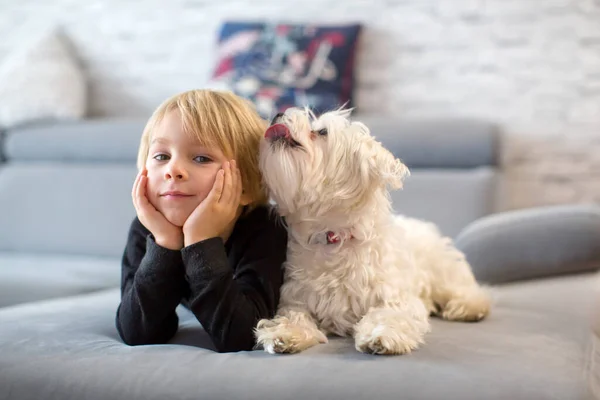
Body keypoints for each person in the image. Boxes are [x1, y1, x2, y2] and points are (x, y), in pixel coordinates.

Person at [115, 89, 288, 352]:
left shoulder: (266, 229)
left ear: (246, 187)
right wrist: (165, 245)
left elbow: (241, 336)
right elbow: (137, 332)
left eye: (201, 158)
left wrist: (201, 241)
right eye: (161, 156)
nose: (173, 170)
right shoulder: (147, 228)